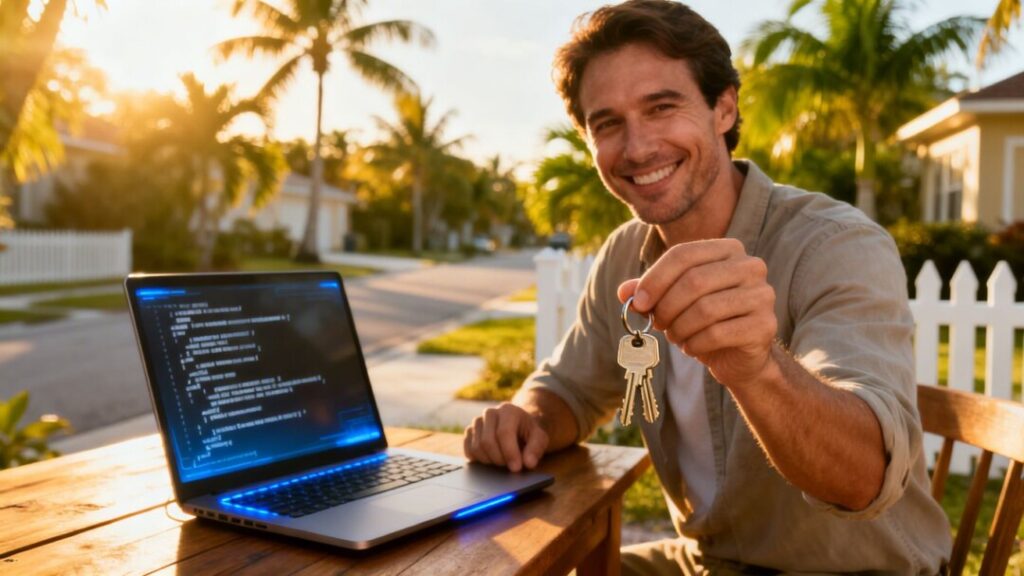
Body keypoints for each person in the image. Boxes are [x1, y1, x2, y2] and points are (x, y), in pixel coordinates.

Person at [463, 0, 952, 573]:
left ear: (724, 108)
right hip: (706, 562)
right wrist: (527, 421)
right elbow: (569, 391)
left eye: (662, 107)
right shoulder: (626, 253)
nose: (638, 147)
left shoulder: (837, 245)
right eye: (608, 123)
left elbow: (863, 476)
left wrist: (756, 368)